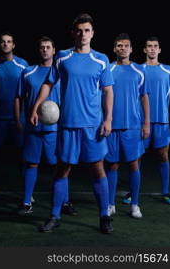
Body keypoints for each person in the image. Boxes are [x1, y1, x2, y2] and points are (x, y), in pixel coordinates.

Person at [30, 13, 114, 234]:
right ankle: (54, 216)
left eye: (87, 30)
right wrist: (36, 106)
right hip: (67, 125)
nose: (83, 34)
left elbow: (108, 91)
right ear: (73, 33)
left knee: (97, 170)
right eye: (79, 30)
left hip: (93, 126)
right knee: (62, 170)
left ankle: (104, 216)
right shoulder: (62, 57)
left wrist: (108, 119)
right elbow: (48, 83)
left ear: (93, 33)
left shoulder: (101, 59)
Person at [15, 36, 76, 215]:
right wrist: (18, 119)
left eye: (48, 47)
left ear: (54, 50)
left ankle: (64, 202)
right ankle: (26, 203)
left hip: (55, 130)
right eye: (42, 47)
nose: (45, 50)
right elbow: (18, 97)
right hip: (33, 128)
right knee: (31, 164)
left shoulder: (62, 72)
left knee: (60, 166)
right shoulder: (27, 72)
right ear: (38, 50)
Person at [105, 33, 150, 218]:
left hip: (133, 126)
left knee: (133, 165)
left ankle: (135, 204)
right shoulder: (107, 69)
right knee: (112, 165)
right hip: (112, 126)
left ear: (131, 49)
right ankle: (110, 204)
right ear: (114, 48)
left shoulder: (139, 70)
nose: (122, 48)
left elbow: (144, 97)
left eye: (126, 45)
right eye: (119, 45)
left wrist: (146, 123)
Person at [122, 36, 170, 205]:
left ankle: (165, 192)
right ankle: (132, 192)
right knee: (136, 158)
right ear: (144, 50)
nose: (152, 49)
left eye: (155, 46)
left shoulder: (169, 71)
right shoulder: (137, 69)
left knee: (163, 155)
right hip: (140, 122)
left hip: (162, 121)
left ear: (159, 50)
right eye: (149, 46)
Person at [0, 32, 28, 203]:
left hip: (18, 120)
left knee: (23, 157)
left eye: (9, 42)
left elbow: (28, 92)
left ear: (13, 45)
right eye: (2, 42)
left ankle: (27, 192)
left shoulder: (23, 65)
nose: (5, 44)